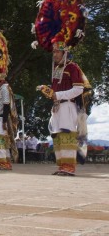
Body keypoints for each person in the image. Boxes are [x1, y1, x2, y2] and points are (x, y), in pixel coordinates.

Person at [47, 41, 85, 176]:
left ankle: (69, 166)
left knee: (67, 134)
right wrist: (48, 91)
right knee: (57, 135)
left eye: (57, 51)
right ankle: (62, 165)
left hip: (68, 105)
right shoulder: (57, 69)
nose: (55, 54)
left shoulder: (73, 67)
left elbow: (79, 89)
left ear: (65, 52)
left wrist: (58, 94)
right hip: (57, 106)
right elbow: (55, 88)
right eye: (54, 52)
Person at [0, 75, 18, 170]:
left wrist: (4, 121)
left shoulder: (4, 89)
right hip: (2, 117)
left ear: (0, 81)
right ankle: (6, 162)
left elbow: (6, 105)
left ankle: (3, 163)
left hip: (2, 118)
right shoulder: (5, 88)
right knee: (4, 141)